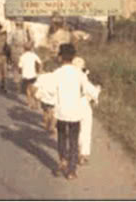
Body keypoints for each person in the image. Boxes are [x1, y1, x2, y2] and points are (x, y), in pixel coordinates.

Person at [51, 43, 99, 180]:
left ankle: (62, 161)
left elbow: (48, 90)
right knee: (73, 140)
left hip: (60, 112)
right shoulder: (79, 74)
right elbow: (89, 90)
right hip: (75, 113)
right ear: (73, 57)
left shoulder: (57, 73)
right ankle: (71, 170)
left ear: (60, 57)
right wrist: (96, 94)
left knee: (61, 137)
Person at [72, 57, 101, 167]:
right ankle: (83, 155)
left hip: (70, 105)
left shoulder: (67, 75)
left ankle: (74, 150)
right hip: (82, 105)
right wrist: (97, 90)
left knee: (74, 130)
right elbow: (91, 91)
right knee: (85, 130)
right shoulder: (82, 76)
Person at [32, 70, 58, 136]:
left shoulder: (42, 76)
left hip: (44, 98)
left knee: (45, 112)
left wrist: (35, 96)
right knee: (53, 113)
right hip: (54, 99)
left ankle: (46, 126)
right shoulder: (59, 77)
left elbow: (35, 86)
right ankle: (51, 127)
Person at [18, 41, 43, 108]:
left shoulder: (22, 56)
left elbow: (20, 67)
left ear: (24, 48)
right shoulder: (34, 55)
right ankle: (36, 104)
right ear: (31, 48)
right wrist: (39, 71)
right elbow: (40, 62)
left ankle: (29, 103)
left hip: (25, 75)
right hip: (33, 75)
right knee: (34, 90)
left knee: (28, 90)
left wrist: (20, 73)